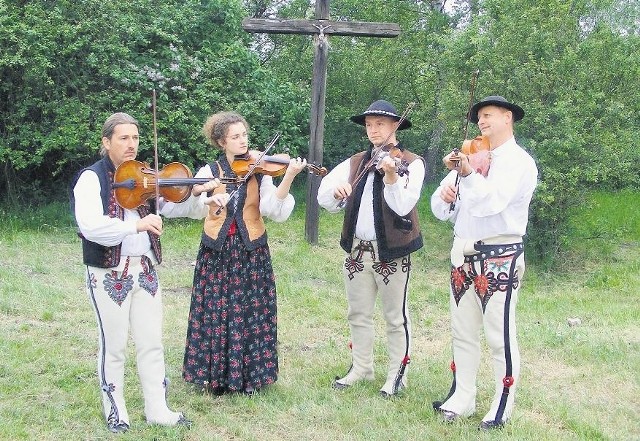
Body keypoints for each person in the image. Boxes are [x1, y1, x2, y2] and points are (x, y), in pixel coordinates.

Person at [71, 112, 201, 433]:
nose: (132, 145)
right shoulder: (92, 178)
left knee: (151, 341)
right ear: (106, 142)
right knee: (114, 345)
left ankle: (157, 408)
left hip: (144, 270)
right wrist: (136, 224)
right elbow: (90, 226)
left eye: (136, 138)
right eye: (124, 138)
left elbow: (174, 205)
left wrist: (196, 190)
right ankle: (116, 411)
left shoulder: (145, 177)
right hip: (108, 273)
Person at [430, 96, 538, 430]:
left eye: (488, 115)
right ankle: (462, 396)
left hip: (499, 256)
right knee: (462, 333)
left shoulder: (519, 162)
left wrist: (468, 176)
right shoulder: (472, 156)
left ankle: (502, 405)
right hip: (462, 254)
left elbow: (492, 203)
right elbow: (438, 206)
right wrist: (447, 196)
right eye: (478, 117)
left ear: (508, 118)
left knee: (499, 335)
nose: (481, 122)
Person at [182, 111, 307, 395]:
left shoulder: (260, 171)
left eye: (244, 135)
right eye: (235, 137)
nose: (243, 142)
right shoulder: (209, 172)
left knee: (251, 312)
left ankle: (250, 378)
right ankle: (217, 378)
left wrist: (288, 176)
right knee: (217, 311)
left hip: (251, 250)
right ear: (220, 142)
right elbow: (190, 203)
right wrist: (203, 195)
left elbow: (273, 211)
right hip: (216, 251)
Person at [317, 100, 425, 398]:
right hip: (356, 250)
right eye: (369, 124)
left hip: (391, 251)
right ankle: (361, 367)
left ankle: (397, 376)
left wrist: (391, 176)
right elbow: (324, 196)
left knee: (395, 316)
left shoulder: (411, 162)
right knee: (358, 313)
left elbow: (403, 204)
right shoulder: (355, 161)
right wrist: (336, 194)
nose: (373, 129)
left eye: (379, 124)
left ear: (395, 126)